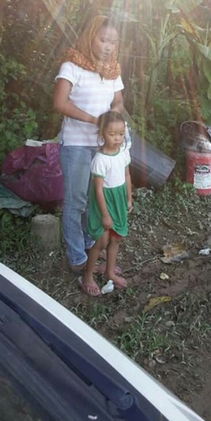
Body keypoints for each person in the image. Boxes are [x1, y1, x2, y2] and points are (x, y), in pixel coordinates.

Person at [53, 15, 125, 273]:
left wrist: (113, 118)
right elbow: (60, 103)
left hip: (101, 148)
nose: (108, 46)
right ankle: (77, 259)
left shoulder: (113, 71)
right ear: (89, 36)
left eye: (113, 42)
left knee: (95, 201)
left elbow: (118, 102)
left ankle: (88, 247)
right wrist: (95, 120)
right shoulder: (71, 66)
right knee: (76, 203)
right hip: (76, 146)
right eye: (103, 39)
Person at [78, 111, 132, 296]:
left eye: (121, 134)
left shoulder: (123, 152)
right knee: (101, 241)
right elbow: (98, 190)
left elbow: (126, 175)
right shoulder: (100, 160)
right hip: (104, 202)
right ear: (102, 134)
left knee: (116, 238)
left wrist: (129, 198)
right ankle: (87, 276)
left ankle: (109, 271)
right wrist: (105, 214)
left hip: (119, 200)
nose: (117, 138)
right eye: (112, 134)